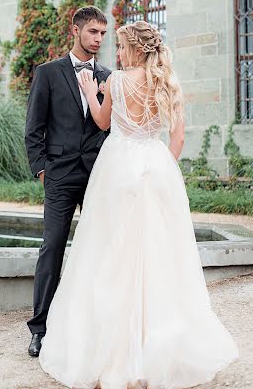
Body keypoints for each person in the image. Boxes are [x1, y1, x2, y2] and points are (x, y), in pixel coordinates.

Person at [39, 20, 238, 389]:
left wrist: (88, 89)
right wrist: (163, 168)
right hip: (155, 169)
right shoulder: (170, 82)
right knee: (160, 255)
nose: (116, 52)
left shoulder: (115, 80)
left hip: (117, 171)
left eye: (121, 46)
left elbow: (101, 122)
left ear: (135, 49)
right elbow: (176, 137)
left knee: (111, 253)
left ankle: (112, 351)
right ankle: (158, 346)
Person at [25, 5, 112, 357]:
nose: (99, 39)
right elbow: (34, 127)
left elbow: (110, 126)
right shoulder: (47, 73)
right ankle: (39, 329)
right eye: (93, 32)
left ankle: (96, 326)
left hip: (98, 174)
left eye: (103, 34)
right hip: (60, 174)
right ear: (74, 30)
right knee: (52, 247)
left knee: (102, 247)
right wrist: (43, 169)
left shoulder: (108, 75)